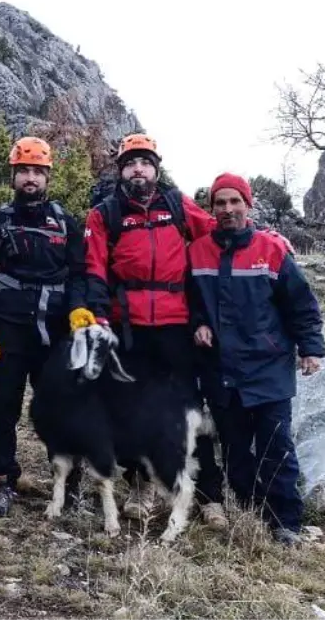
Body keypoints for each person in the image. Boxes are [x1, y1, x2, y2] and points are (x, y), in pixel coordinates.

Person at [72, 133, 229, 530]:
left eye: (145, 162)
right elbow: (93, 268)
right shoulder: (104, 213)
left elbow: (216, 233)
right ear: (120, 170)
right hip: (129, 327)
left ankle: (210, 497)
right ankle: (142, 486)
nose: (138, 169)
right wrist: (98, 316)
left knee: (190, 408)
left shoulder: (176, 205)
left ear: (156, 168)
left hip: (177, 324)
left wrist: (263, 239)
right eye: (130, 163)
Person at [187, 173, 325, 546]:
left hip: (269, 368)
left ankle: (286, 522)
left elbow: (301, 305)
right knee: (234, 450)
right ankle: (251, 511)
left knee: (275, 446)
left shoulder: (273, 250)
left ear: (248, 205)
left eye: (235, 202)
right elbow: (192, 302)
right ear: (212, 208)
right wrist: (198, 324)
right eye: (220, 203)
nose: (228, 209)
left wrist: (311, 347)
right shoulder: (197, 251)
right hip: (221, 370)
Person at [0, 136, 86, 518]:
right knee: (2, 409)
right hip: (8, 333)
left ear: (48, 176)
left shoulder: (66, 223)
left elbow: (81, 273)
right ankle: (0, 483)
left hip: (54, 334)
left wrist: (80, 311)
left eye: (37, 171)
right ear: (13, 175)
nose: (30, 178)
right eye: (24, 171)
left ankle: (67, 485)